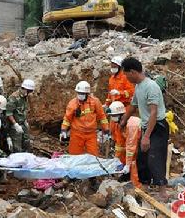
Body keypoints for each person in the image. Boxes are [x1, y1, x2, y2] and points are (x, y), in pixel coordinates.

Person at [120, 57, 169, 200]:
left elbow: (154, 112)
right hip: (147, 126)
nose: (126, 78)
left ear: (133, 72)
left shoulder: (151, 86)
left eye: (127, 74)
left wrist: (147, 136)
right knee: (142, 158)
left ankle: (163, 192)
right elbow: (133, 106)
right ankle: (145, 187)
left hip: (157, 127)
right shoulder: (138, 86)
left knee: (155, 158)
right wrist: (123, 120)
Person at [61, 81, 110, 156]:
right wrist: (63, 130)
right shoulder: (72, 104)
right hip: (77, 134)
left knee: (93, 157)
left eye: (82, 94)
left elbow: (102, 117)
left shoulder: (95, 102)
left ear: (87, 94)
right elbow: (67, 119)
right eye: (79, 93)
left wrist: (106, 130)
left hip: (91, 134)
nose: (80, 95)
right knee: (74, 157)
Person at [108, 101, 142, 187]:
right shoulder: (119, 123)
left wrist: (127, 165)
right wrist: (116, 157)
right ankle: (130, 178)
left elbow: (131, 146)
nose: (112, 118)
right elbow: (120, 143)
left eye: (113, 116)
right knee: (128, 158)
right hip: (136, 143)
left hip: (144, 143)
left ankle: (137, 186)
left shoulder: (131, 124)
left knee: (134, 162)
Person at [6, 79, 35, 152]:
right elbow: (9, 113)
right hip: (15, 126)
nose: (29, 93)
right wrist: (15, 124)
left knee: (26, 143)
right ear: (25, 89)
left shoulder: (24, 97)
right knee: (17, 147)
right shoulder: (13, 97)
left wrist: (25, 121)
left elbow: (23, 110)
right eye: (29, 91)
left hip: (23, 124)